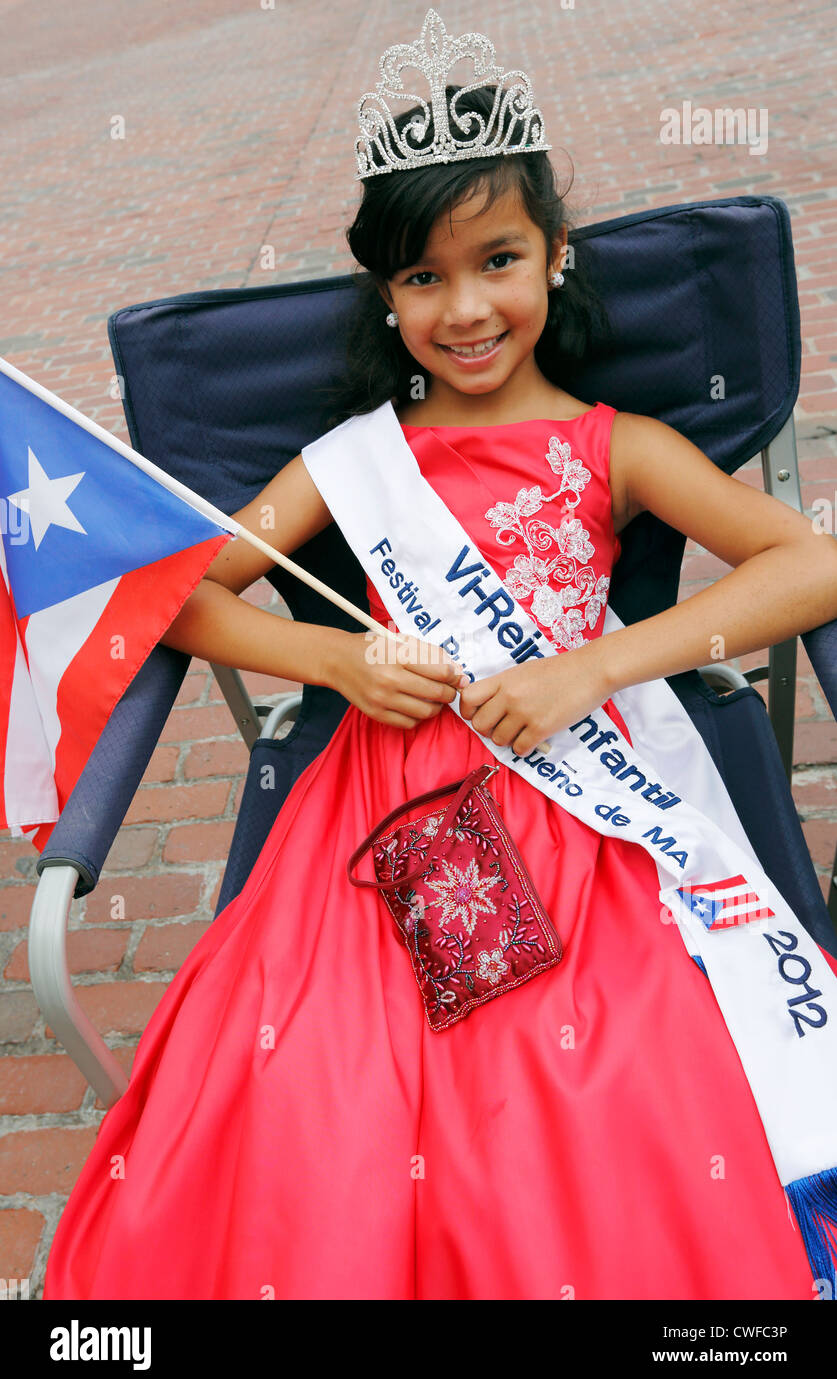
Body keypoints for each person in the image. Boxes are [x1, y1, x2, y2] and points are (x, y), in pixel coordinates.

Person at [43, 10, 837, 1301]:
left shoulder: (613, 444)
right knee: (306, 1069)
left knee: (603, 1076)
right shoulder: (355, 458)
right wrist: (337, 658)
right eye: (423, 278)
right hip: (372, 802)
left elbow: (809, 561)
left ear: (557, 257)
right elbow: (177, 593)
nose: (466, 309)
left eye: (499, 261)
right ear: (387, 294)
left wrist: (593, 666)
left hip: (578, 793)